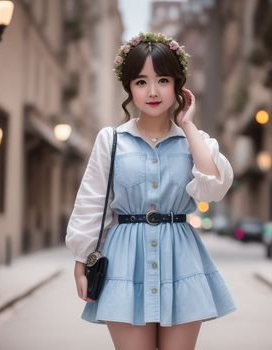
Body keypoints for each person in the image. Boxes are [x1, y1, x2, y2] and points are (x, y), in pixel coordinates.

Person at [65, 32, 237, 350]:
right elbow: (91, 202)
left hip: (182, 259)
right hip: (123, 262)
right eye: (141, 82)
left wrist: (187, 125)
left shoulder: (194, 141)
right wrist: (80, 261)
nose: (153, 91)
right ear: (129, 87)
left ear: (178, 85)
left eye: (163, 80)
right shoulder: (111, 139)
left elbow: (214, 187)